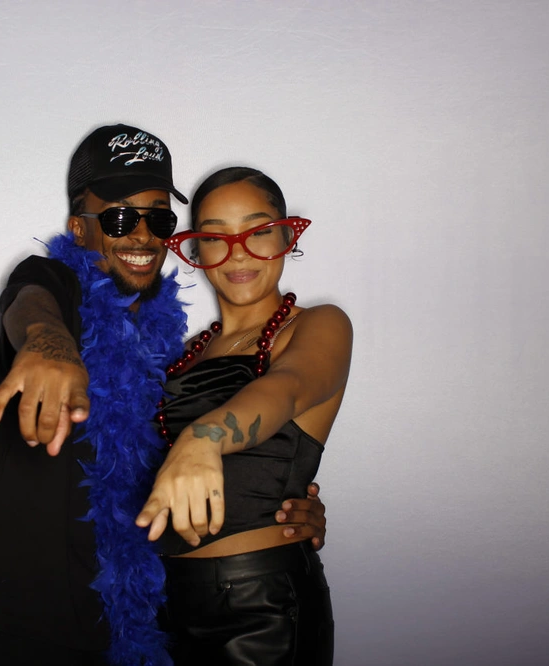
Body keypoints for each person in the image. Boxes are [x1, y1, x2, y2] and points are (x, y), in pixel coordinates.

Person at [0, 126, 327, 666]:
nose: (142, 235)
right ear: (80, 228)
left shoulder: (165, 345)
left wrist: (282, 505)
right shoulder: (58, 285)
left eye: (159, 218)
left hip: (134, 622)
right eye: (120, 217)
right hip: (24, 617)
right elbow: (31, 293)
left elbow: (264, 408)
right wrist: (47, 343)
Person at [137, 167, 353, 665]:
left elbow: (289, 388)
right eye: (216, 237)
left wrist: (203, 439)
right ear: (197, 252)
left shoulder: (319, 325)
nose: (238, 252)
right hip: (162, 606)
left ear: (285, 237)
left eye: (257, 231)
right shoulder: (183, 354)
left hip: (260, 608)